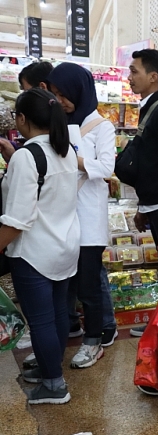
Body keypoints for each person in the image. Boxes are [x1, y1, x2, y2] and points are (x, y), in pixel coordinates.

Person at [0, 89, 80, 404]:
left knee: (42, 320)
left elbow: (17, 220)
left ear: (22, 119)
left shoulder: (26, 157)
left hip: (33, 253)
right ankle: (51, 369)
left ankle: (54, 384)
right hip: (64, 247)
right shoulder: (66, 150)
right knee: (59, 312)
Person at [43, 62, 117, 369]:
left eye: (65, 93)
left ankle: (93, 341)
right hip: (63, 216)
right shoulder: (60, 122)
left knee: (88, 285)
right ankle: (61, 337)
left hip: (88, 218)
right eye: (56, 94)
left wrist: (75, 159)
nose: (60, 100)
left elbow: (107, 168)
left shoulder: (103, 126)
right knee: (64, 283)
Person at [115, 49, 158, 331]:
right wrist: (143, 207)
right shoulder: (150, 107)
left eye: (134, 71)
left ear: (153, 77)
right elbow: (150, 163)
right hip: (153, 206)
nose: (129, 77)